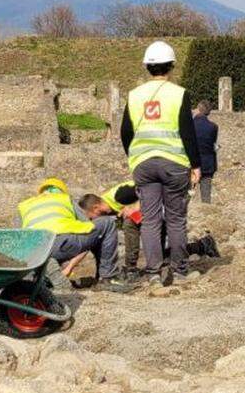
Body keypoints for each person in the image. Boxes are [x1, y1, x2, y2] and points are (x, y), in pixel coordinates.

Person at [120, 41, 202, 285]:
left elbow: (126, 131)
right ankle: (179, 271)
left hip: (143, 165)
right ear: (172, 66)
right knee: (176, 219)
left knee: (150, 219)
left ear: (147, 67)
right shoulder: (179, 94)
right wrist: (195, 166)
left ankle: (153, 274)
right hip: (174, 163)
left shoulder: (134, 95)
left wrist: (135, 157)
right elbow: (188, 133)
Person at [15, 178, 132, 292]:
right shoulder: (65, 199)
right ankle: (108, 277)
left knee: (49, 251)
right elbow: (87, 227)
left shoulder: (25, 206)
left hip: (37, 253)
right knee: (107, 223)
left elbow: (21, 235)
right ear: (62, 190)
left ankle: (42, 278)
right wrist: (70, 267)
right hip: (61, 244)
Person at [77, 190, 221, 271]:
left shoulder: (119, 195)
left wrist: (135, 206)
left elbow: (150, 189)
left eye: (92, 217)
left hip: (163, 207)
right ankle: (202, 246)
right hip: (152, 212)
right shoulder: (107, 208)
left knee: (130, 225)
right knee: (159, 255)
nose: (93, 220)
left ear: (96, 208)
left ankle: (131, 267)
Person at [192, 101, 219, 203]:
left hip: (192, 163)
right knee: (206, 196)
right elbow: (212, 144)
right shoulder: (213, 127)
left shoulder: (190, 125)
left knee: (187, 193)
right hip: (208, 164)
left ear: (198, 109)